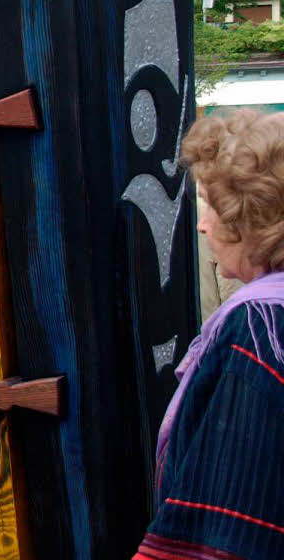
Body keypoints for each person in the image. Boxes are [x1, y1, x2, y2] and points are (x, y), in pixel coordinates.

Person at [134, 110, 284, 560]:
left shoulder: (258, 329)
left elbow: (229, 512)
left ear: (250, 218)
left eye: (210, 208)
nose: (202, 225)